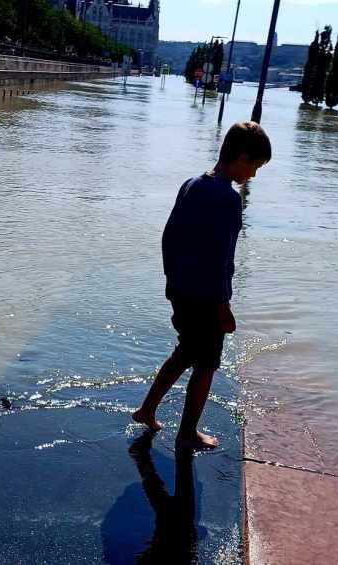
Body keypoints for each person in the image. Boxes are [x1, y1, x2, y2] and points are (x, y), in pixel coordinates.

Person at [132, 121, 272, 450]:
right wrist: (224, 307)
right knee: (206, 365)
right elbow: (221, 260)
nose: (253, 175)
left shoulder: (191, 184)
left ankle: (147, 409)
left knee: (184, 353)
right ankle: (187, 433)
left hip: (181, 290)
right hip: (207, 299)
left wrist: (172, 281)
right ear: (241, 157)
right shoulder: (227, 199)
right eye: (255, 166)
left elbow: (169, 238)